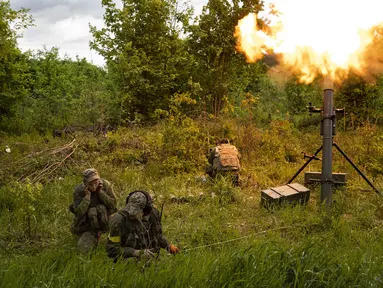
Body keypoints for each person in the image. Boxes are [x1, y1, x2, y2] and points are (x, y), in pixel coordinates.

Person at [106, 190, 179, 261]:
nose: (132, 214)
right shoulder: (118, 220)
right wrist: (135, 252)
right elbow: (112, 250)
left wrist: (168, 246)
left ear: (145, 210)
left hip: (151, 257)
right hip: (128, 259)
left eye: (137, 211)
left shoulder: (153, 214)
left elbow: (157, 236)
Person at [69, 168, 117, 254]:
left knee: (119, 229)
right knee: (82, 251)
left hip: (106, 218)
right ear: (85, 184)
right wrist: (87, 197)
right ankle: (92, 237)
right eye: (91, 184)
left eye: (96, 183)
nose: (94, 186)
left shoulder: (105, 184)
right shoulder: (79, 190)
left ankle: (106, 234)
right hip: (89, 226)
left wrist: (101, 193)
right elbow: (78, 212)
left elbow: (113, 205)